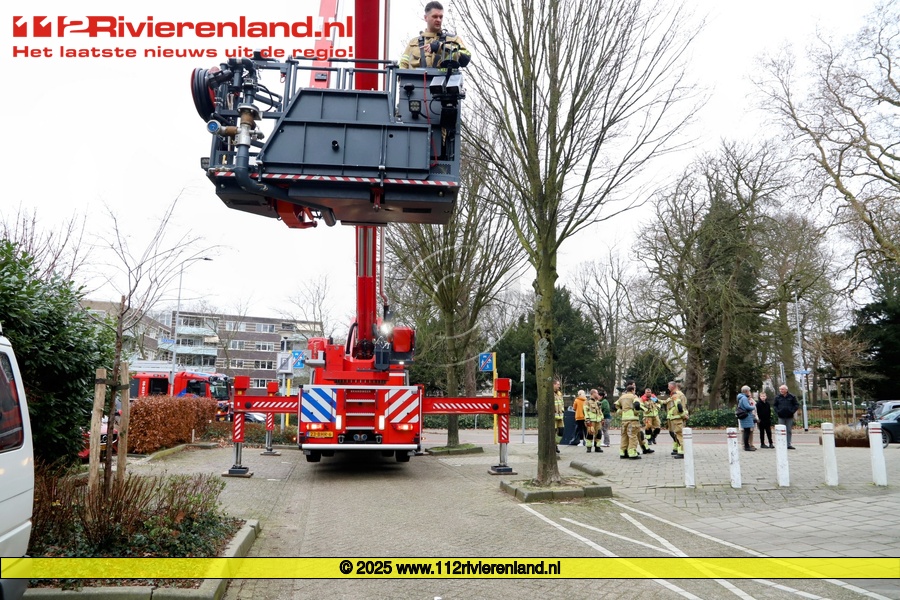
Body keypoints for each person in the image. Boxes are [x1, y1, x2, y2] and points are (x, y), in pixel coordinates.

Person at [399, 2, 472, 69]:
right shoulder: (413, 43)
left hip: (445, 79)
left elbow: (466, 58)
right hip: (417, 79)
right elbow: (403, 65)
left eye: (441, 17)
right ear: (425, 18)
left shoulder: (453, 39)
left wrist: (441, 48)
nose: (439, 20)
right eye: (435, 16)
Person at [616, 384, 642, 459]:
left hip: (624, 420)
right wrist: (636, 412)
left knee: (624, 436)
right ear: (633, 390)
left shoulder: (622, 397)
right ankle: (632, 453)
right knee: (632, 436)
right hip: (632, 420)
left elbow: (615, 406)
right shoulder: (634, 397)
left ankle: (623, 452)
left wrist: (621, 412)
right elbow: (637, 405)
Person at [665, 381, 689, 459]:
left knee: (679, 435)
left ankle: (682, 452)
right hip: (677, 417)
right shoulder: (677, 394)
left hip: (678, 418)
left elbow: (680, 407)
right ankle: (680, 450)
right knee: (678, 434)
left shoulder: (677, 395)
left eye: (669, 386)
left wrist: (684, 415)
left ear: (672, 386)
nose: (668, 388)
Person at [774, 384, 800, 449]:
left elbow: (796, 405)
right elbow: (775, 405)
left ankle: (788, 444)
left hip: (789, 416)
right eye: (780, 389)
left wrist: (792, 411)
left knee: (788, 430)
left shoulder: (792, 397)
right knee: (781, 431)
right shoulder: (777, 397)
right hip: (781, 416)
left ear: (786, 390)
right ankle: (781, 443)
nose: (781, 390)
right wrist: (778, 411)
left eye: (782, 389)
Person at [737, 385, 757, 451]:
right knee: (747, 432)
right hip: (746, 417)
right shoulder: (744, 398)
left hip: (745, 416)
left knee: (746, 431)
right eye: (749, 391)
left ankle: (747, 445)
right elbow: (747, 407)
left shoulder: (741, 398)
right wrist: (753, 407)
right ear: (746, 391)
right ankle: (746, 446)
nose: (749, 392)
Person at [554, 379, 564, 453]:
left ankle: (555, 444)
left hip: (560, 417)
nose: (559, 386)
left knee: (561, 432)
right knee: (553, 433)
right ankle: (554, 446)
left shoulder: (559, 394)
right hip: (553, 418)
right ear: (553, 385)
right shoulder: (550, 394)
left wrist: (562, 410)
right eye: (558, 384)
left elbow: (562, 403)